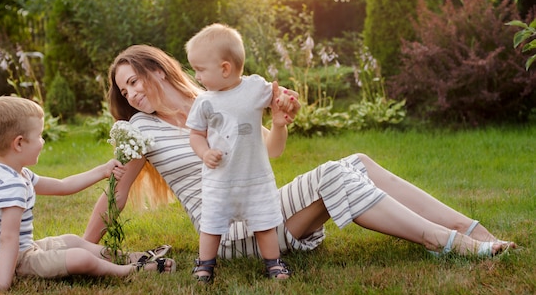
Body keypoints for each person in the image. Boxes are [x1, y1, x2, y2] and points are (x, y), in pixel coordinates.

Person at [83, 43, 515, 274]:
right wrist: (85, 249)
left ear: (158, 69)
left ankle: (464, 228)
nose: (132, 94)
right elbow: (116, 195)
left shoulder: (214, 100)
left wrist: (280, 121)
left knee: (359, 162)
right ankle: (441, 241)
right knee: (333, 175)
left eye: (135, 80)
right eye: (124, 90)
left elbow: (268, 151)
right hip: (230, 234)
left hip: (263, 208)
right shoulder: (140, 130)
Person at [0, 96, 175, 295]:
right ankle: (130, 270)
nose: (42, 141)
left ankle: (131, 258)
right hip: (9, 264)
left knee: (73, 240)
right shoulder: (10, 185)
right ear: (19, 143)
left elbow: (62, 185)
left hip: (22, 251)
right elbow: (8, 237)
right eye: (40, 136)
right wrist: (3, 283)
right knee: (79, 258)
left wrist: (102, 170)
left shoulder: (11, 172)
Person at [184, 24, 295, 282]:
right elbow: (195, 134)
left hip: (254, 177)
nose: (197, 77)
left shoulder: (255, 88)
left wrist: (287, 101)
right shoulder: (204, 101)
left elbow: (280, 97)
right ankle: (205, 264)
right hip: (219, 180)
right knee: (211, 225)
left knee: (264, 223)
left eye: (200, 70)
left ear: (225, 68)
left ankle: (273, 263)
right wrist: (204, 153)